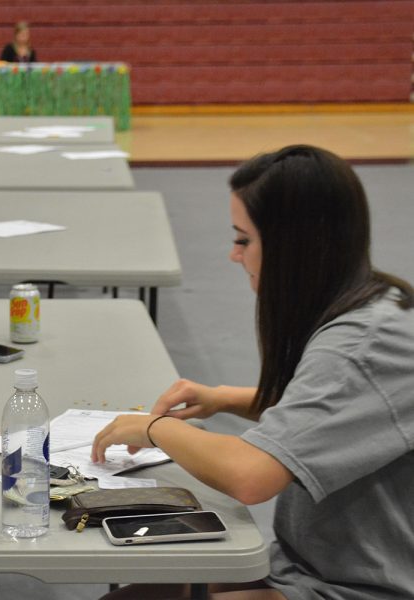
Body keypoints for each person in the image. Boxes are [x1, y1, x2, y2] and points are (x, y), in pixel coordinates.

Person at [92, 145, 414, 600]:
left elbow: (250, 477)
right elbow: (331, 413)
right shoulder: (371, 304)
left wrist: (154, 428)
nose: (233, 255)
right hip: (310, 567)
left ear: (292, 246)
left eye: (243, 239)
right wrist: (228, 398)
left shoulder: (362, 343)